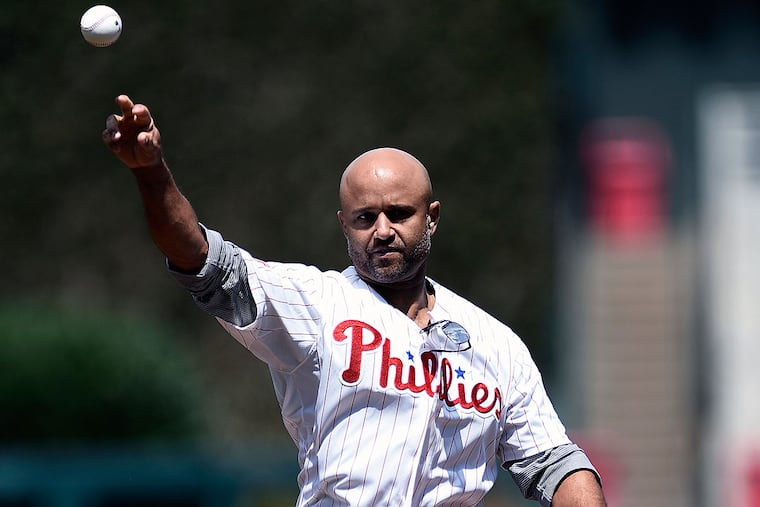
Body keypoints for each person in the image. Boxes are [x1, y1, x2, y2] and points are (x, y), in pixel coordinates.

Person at [103, 94, 606, 506]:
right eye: (365, 218)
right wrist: (151, 172)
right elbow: (202, 260)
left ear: (431, 217)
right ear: (344, 225)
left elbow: (554, 464)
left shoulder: (497, 345)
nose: (382, 230)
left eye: (399, 213)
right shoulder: (317, 303)